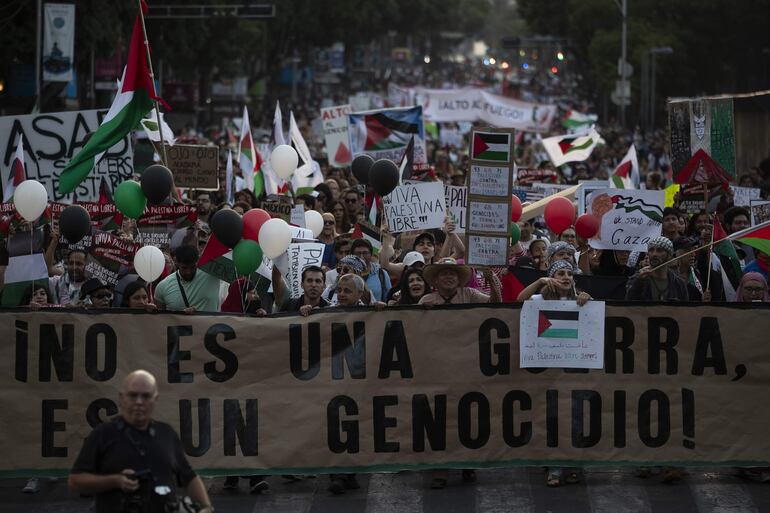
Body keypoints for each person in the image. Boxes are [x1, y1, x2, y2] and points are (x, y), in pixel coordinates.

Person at [68, 370, 213, 513]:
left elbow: (189, 477)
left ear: (155, 399)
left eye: (146, 396)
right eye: (133, 395)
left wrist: (206, 507)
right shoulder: (103, 434)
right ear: (121, 398)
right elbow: (75, 481)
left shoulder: (166, 433)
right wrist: (115, 481)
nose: (139, 402)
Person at [417, 257, 500, 488]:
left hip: (467, 365)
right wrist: (421, 314)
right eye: (444, 273)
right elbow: (414, 329)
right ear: (435, 280)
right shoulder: (426, 300)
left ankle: (467, 462)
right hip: (437, 369)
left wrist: (492, 281)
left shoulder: (470, 295)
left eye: (453, 273)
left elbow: (495, 305)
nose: (449, 277)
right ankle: (440, 467)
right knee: (439, 417)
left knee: (466, 414)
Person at [517, 260, 590, 486]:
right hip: (547, 372)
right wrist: (539, 281)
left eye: (569, 273)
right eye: (560, 273)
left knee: (575, 418)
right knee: (552, 419)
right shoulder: (539, 301)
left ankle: (574, 465)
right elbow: (520, 299)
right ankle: (554, 466)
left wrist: (587, 299)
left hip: (574, 371)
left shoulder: (581, 301)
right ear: (551, 277)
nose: (566, 277)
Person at [154, 245, 222, 313]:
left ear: (198, 261)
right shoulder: (162, 287)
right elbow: (160, 317)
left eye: (192, 267)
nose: (188, 272)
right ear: (176, 262)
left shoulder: (212, 273)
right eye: (184, 268)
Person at [625, 237, 689, 301]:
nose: (654, 254)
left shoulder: (679, 284)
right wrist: (639, 283)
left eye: (659, 250)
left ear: (669, 255)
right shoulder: (637, 278)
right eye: (651, 250)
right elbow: (628, 303)